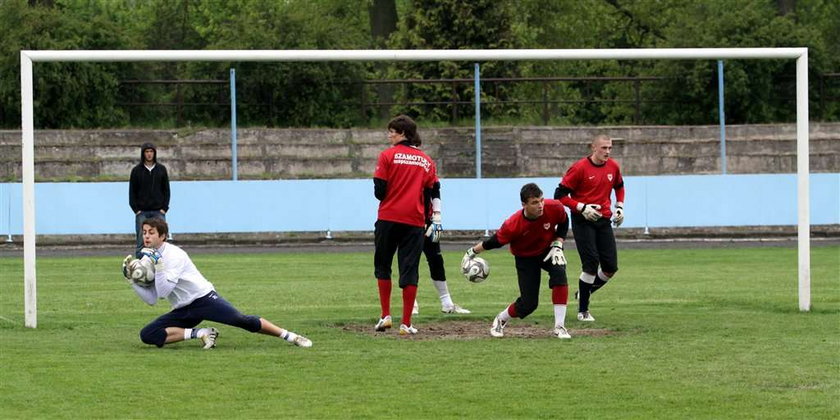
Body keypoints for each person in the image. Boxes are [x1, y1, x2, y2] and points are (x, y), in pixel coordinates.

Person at [121, 218, 312, 349]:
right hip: (183, 309)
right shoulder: (148, 258)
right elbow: (152, 299)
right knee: (148, 334)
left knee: (242, 320)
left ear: (162, 236)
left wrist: (160, 265)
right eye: (144, 232)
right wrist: (132, 281)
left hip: (204, 299)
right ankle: (203, 333)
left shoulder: (174, 255)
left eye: (151, 233)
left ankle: (291, 336)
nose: (146, 236)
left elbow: (163, 292)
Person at [461, 183, 572, 339]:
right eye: (534, 202)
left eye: (541, 200)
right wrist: (472, 251)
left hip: (548, 250)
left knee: (560, 272)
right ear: (524, 205)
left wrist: (558, 243)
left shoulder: (554, 207)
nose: (540, 205)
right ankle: (501, 319)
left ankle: (560, 327)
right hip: (525, 257)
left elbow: (564, 221)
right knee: (529, 305)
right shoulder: (513, 224)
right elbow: (494, 242)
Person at [372, 115, 438, 335]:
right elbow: (430, 192)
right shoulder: (426, 161)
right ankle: (406, 323)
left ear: (402, 133)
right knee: (409, 270)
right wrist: (430, 219)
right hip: (414, 221)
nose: (389, 135)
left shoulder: (387, 156)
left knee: (383, 266)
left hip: (388, 218)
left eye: (392, 131)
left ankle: (385, 316)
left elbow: (379, 191)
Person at [554, 134, 625, 323]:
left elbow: (619, 186)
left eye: (610, 148)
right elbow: (560, 194)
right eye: (604, 148)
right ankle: (583, 311)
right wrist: (581, 207)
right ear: (593, 148)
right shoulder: (579, 168)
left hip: (603, 220)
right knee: (591, 264)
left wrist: (620, 206)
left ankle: (583, 292)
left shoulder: (613, 167)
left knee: (610, 268)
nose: (607, 152)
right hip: (582, 220)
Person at [411, 176, 470, 315]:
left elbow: (436, 190)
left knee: (436, 259)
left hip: (431, 222)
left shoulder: (427, 166)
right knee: (410, 260)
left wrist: (437, 218)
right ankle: (412, 304)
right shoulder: (408, 168)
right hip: (411, 222)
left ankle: (447, 303)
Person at [129, 142, 170, 258]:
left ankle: (163, 264)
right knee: (142, 241)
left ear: (154, 153)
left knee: (161, 239)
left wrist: (164, 208)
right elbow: (132, 191)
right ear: (143, 154)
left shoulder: (161, 169)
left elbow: (166, 190)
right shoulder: (136, 171)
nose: (149, 154)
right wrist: (136, 209)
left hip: (158, 211)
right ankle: (140, 267)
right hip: (142, 212)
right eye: (146, 152)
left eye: (151, 151)